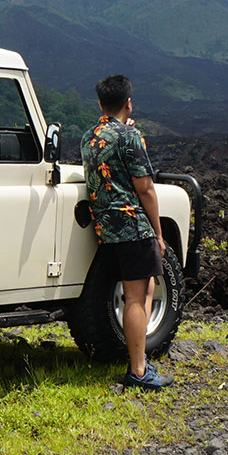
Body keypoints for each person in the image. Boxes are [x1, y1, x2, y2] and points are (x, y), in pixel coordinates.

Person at [82, 74, 172, 389]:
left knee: (144, 290)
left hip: (105, 229)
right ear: (128, 103)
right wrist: (158, 233)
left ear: (100, 103)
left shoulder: (88, 137)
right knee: (136, 297)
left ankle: (138, 357)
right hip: (133, 227)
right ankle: (138, 370)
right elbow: (145, 188)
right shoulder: (130, 137)